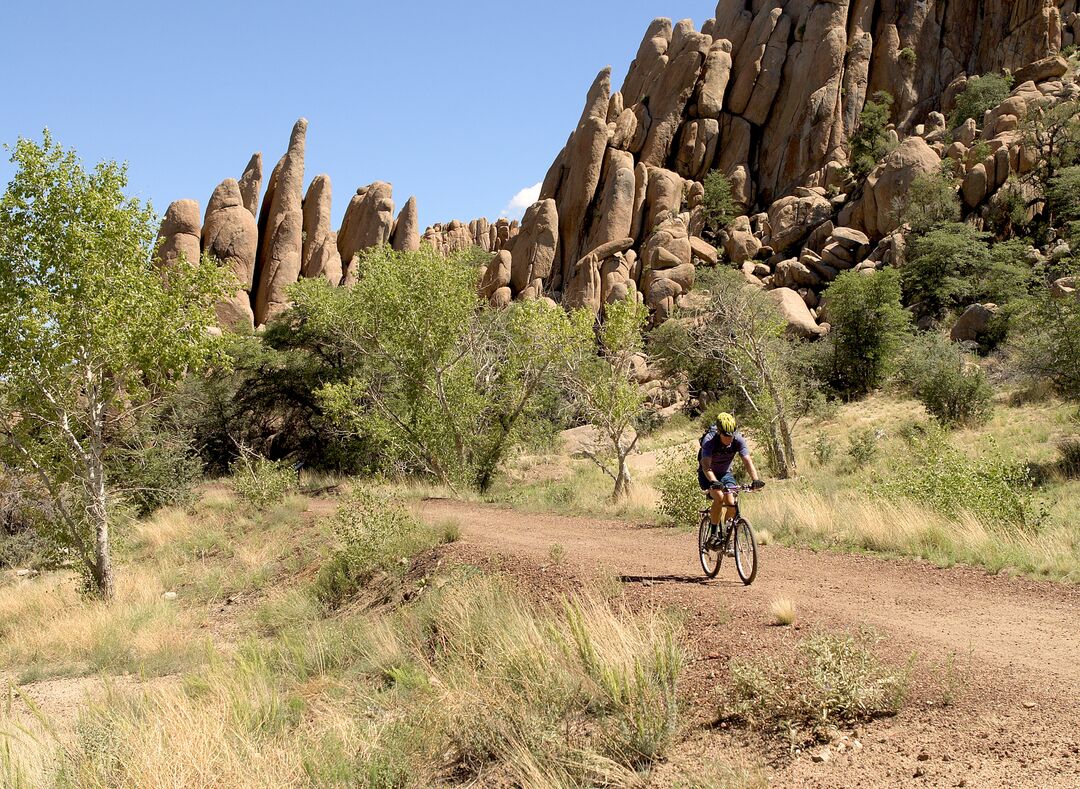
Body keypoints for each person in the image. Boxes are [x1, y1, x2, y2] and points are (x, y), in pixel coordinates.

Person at [698, 412, 764, 548]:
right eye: (725, 435)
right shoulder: (710, 440)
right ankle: (714, 534)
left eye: (731, 435)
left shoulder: (738, 440)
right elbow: (706, 465)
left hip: (725, 473)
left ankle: (727, 536)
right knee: (719, 496)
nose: (729, 438)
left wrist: (755, 479)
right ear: (719, 433)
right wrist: (713, 482)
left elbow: (747, 460)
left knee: (731, 502)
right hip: (707, 474)